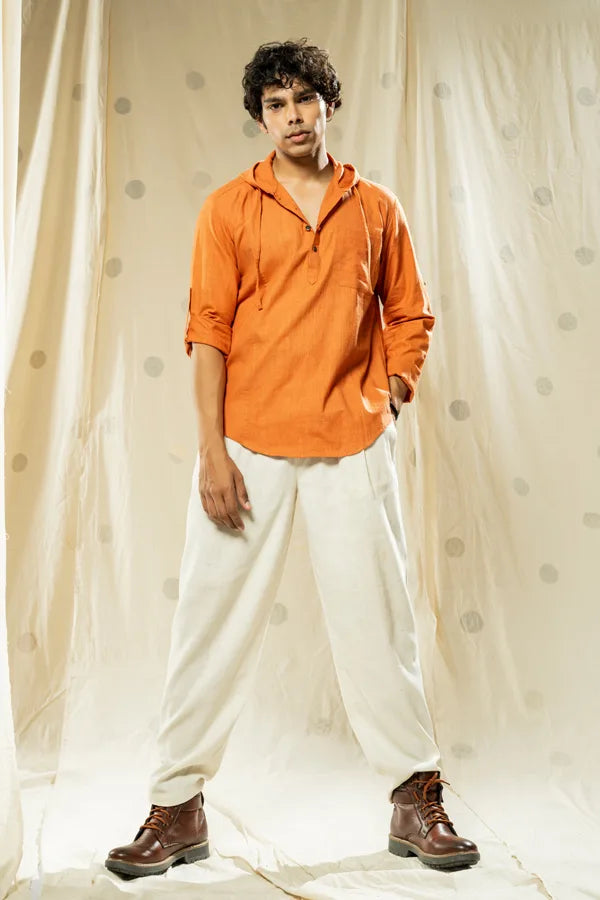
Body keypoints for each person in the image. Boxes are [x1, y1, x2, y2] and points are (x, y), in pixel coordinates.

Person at [105, 38, 479, 879]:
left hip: (352, 440)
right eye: (276, 103)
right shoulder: (227, 209)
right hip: (247, 445)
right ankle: (176, 805)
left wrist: (391, 392)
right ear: (260, 118)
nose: (293, 115)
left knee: (378, 621)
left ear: (329, 106)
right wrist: (211, 452)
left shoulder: (376, 207)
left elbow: (408, 315)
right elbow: (208, 330)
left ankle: (414, 796)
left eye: (305, 98)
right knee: (208, 624)